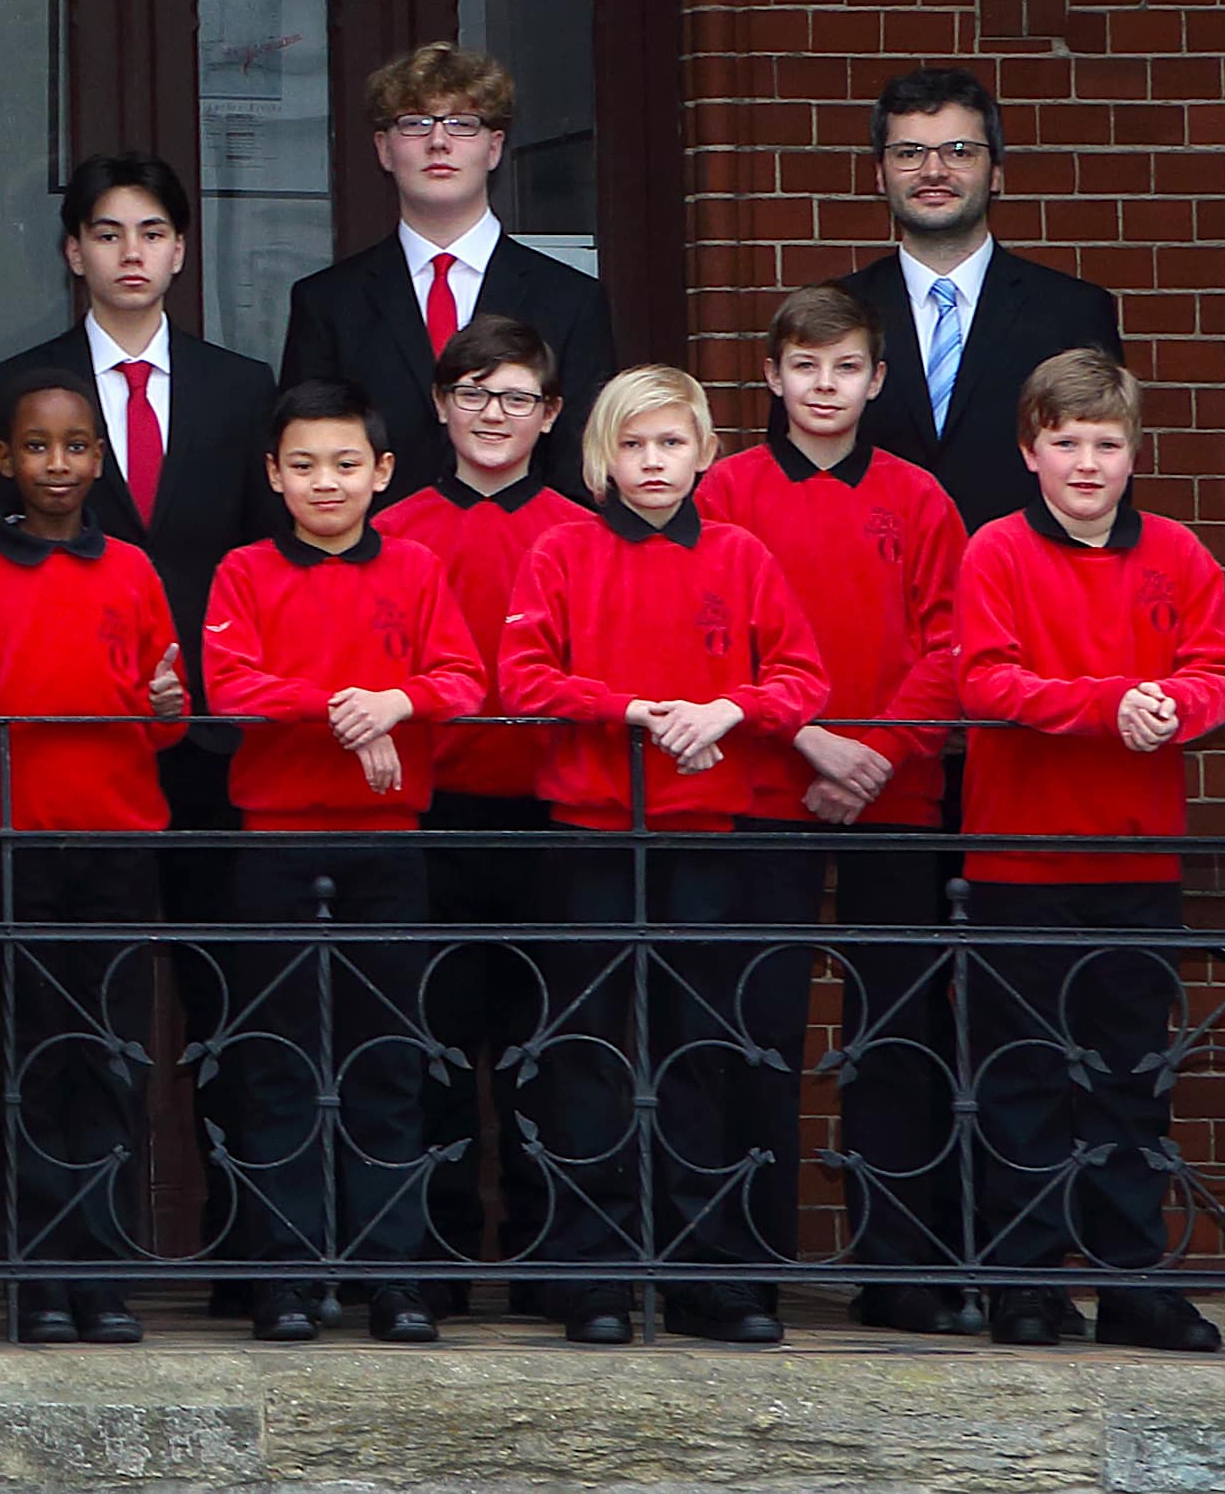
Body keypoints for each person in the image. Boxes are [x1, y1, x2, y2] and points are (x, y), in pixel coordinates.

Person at [496, 368, 830, 1346]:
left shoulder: (741, 554)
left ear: (702, 453)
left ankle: (705, 1272)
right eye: (634, 445)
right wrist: (631, 709)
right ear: (602, 454)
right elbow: (522, 676)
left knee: (701, 1049)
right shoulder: (562, 550)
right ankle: (591, 1272)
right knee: (586, 1053)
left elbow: (802, 674)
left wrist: (731, 706)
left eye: (671, 444)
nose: (652, 462)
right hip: (591, 834)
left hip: (706, 833)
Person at [954, 349, 1225, 1355]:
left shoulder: (1176, 551)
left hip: (1134, 860)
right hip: (1019, 860)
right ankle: (1025, 1283)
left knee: (1133, 1079)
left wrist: (1176, 707)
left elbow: (1222, 666)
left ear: (1133, 452)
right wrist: (1104, 704)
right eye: (1066, 441)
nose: (1087, 461)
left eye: (1106, 443)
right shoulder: (994, 549)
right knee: (1023, 1078)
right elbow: (985, 680)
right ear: (1030, 448)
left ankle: (1131, 1281)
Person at [695, 283, 978, 1333]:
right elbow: (713, 641)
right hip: (761, 787)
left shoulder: (917, 498)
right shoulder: (723, 492)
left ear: (875, 379)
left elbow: (951, 646)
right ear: (770, 376)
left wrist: (876, 750)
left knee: (896, 1033)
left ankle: (900, 1264)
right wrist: (806, 738)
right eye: (804, 367)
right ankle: (743, 1267)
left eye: (845, 367)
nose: (824, 385)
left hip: (894, 796)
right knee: (753, 1029)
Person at [198, 386, 485, 1344]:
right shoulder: (242, 570)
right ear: (274, 475)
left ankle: (392, 1276)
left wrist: (394, 704)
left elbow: (463, 678)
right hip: (275, 841)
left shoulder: (415, 567)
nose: (328, 482)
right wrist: (344, 710)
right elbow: (231, 684)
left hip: (387, 843)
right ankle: (284, 1275)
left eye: (347, 464)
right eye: (306, 465)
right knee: (278, 1061)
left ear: (383, 473)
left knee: (387, 1061)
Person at [0, 378, 183, 1347]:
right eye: (36, 446)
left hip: (115, 843)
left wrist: (163, 704)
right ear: (3, 461)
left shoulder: (135, 572)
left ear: (98, 458)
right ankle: (34, 1279)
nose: (56, 463)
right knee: (26, 1063)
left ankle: (99, 1276)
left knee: (107, 1060)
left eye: (74, 445)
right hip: (14, 841)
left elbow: (166, 714)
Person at [0, 155, 276, 859]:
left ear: (180, 250)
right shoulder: (14, 386)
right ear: (74, 251)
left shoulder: (243, 387)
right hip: (64, 728)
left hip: (209, 718)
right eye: (108, 234)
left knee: (214, 949)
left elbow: (266, 556)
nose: (132, 253)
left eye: (152, 232)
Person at [371, 312, 582, 1301]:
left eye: (514, 396)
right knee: (437, 1047)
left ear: (548, 413)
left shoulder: (582, 533)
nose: (491, 412)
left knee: (550, 1046)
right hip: (434, 813)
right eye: (472, 392)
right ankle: (440, 1257)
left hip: (554, 817)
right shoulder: (394, 531)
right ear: (440, 407)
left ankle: (549, 1261)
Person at [277, 45, 618, 500]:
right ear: (383, 148)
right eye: (415, 122)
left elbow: (583, 462)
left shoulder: (572, 301)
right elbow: (307, 451)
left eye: (462, 123)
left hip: (524, 559)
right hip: (373, 559)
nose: (439, 142)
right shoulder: (327, 302)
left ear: (494, 147)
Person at [825, 66, 1125, 529]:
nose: (934, 171)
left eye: (959, 151)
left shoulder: (1072, 313)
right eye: (909, 153)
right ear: (880, 175)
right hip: (865, 587)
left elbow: (1104, 481)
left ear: (997, 173)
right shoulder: (833, 313)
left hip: (1026, 588)